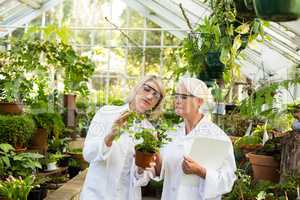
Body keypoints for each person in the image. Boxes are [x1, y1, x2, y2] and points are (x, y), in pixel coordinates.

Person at [80, 75, 165, 200]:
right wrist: (110, 136)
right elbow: (88, 154)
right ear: (137, 88)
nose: (150, 96)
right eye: (147, 89)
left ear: (157, 103)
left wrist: (141, 169)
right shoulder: (106, 113)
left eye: (156, 95)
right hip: (96, 194)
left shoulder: (149, 132)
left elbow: (144, 180)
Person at [155, 77, 236, 200]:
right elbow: (161, 170)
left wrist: (201, 171)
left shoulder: (217, 137)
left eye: (183, 97)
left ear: (200, 101)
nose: (177, 101)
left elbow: (228, 179)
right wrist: (153, 151)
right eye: (176, 96)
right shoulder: (171, 134)